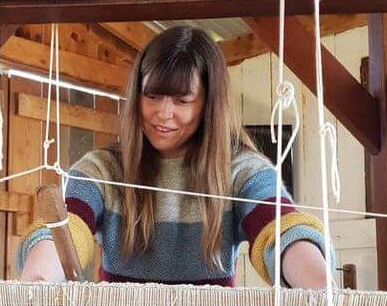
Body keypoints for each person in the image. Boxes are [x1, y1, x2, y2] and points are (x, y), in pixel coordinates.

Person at [17, 25, 329, 288]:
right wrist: (38, 281)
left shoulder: (242, 170)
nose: (163, 114)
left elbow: (281, 231)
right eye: (152, 96)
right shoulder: (102, 170)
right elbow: (67, 227)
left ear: (208, 103)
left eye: (182, 100)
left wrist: (323, 291)